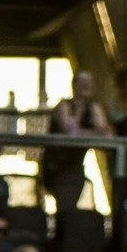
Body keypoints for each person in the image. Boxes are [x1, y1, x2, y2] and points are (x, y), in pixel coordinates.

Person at [42, 71, 112, 217]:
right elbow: (69, 130)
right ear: (74, 85)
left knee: (71, 206)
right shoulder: (64, 105)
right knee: (65, 207)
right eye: (82, 83)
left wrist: (90, 129)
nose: (86, 86)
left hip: (76, 166)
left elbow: (104, 131)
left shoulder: (93, 107)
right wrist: (89, 129)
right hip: (57, 166)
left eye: (89, 83)